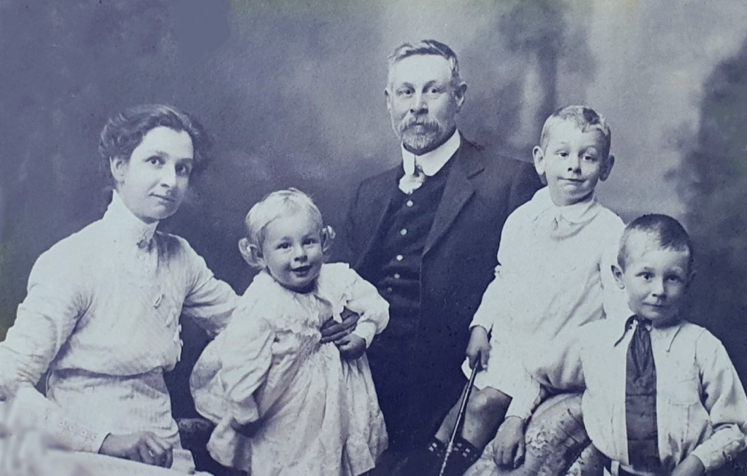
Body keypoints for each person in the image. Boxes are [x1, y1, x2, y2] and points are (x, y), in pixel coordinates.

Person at [0, 104, 238, 473]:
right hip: (82, 460)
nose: (171, 181)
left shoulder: (180, 257)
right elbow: (7, 381)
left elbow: (246, 322)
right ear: (119, 167)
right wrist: (106, 442)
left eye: (182, 169)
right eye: (155, 161)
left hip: (167, 458)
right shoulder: (72, 260)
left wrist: (330, 312)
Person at [343, 39, 541, 466]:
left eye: (432, 91)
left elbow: (536, 300)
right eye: (405, 92)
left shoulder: (509, 182)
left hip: (452, 395)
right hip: (361, 388)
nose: (417, 105)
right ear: (389, 102)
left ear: (459, 97)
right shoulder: (369, 193)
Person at [408, 105, 626, 475]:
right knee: (459, 405)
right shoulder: (524, 218)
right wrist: (481, 326)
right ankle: (434, 460)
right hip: (512, 340)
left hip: (555, 353)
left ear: (606, 167)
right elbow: (503, 277)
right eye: (563, 154)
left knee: (484, 404)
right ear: (541, 161)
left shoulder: (610, 232)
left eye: (588, 157)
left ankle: (455, 467)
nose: (574, 166)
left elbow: (620, 308)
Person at [533, 215, 747, 476]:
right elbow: (540, 376)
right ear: (619, 276)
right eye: (646, 276)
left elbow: (735, 427)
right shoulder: (592, 342)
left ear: (688, 282)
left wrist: (697, 462)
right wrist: (514, 419)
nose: (659, 290)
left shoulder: (703, 346)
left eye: (672, 278)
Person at [190, 188, 390, 476]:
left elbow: (376, 306)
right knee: (291, 463)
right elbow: (240, 362)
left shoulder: (338, 279)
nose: (300, 255)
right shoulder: (264, 302)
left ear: (324, 241)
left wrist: (363, 334)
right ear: (260, 255)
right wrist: (244, 411)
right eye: (284, 246)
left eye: (308, 242)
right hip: (286, 407)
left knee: (336, 458)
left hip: (338, 397)